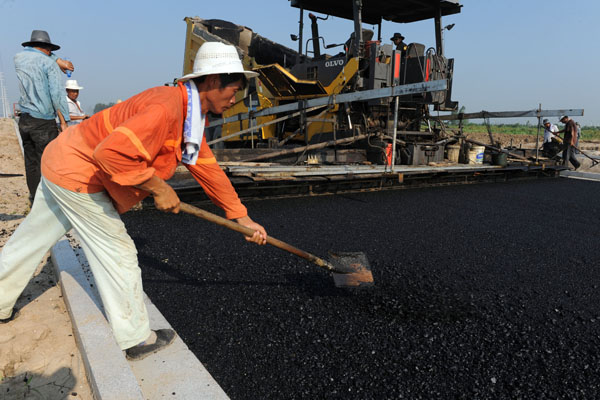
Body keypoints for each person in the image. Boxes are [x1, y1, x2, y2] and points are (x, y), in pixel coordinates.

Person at [0, 42, 268, 361]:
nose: (234, 98)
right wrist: (159, 187)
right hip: (79, 173)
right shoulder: (166, 109)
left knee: (31, 238)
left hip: (60, 159)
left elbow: (205, 166)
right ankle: (136, 338)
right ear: (212, 82)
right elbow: (109, 153)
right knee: (119, 251)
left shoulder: (190, 116)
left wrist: (241, 217)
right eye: (233, 90)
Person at [14, 30, 74, 202]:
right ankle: (47, 201)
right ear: (48, 49)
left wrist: (56, 58)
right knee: (48, 161)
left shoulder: (18, 59)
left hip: (25, 119)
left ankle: (34, 198)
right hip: (43, 120)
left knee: (31, 162)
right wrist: (64, 122)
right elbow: (56, 95)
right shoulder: (50, 65)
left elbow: (33, 54)